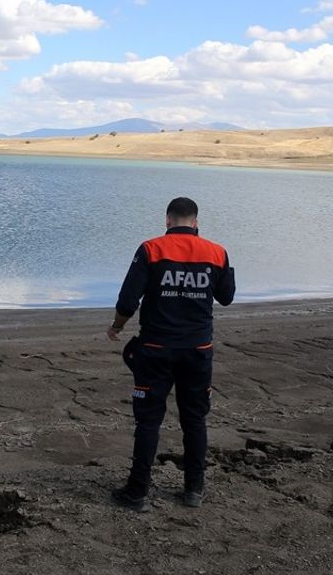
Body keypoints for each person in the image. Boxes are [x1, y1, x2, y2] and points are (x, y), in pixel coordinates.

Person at [106, 197, 236, 512]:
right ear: (195, 222)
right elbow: (227, 297)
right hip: (198, 350)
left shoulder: (150, 250)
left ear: (167, 220)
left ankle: (137, 493)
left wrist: (117, 327)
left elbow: (127, 301)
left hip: (155, 350)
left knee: (149, 421)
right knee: (194, 419)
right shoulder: (217, 252)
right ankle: (194, 489)